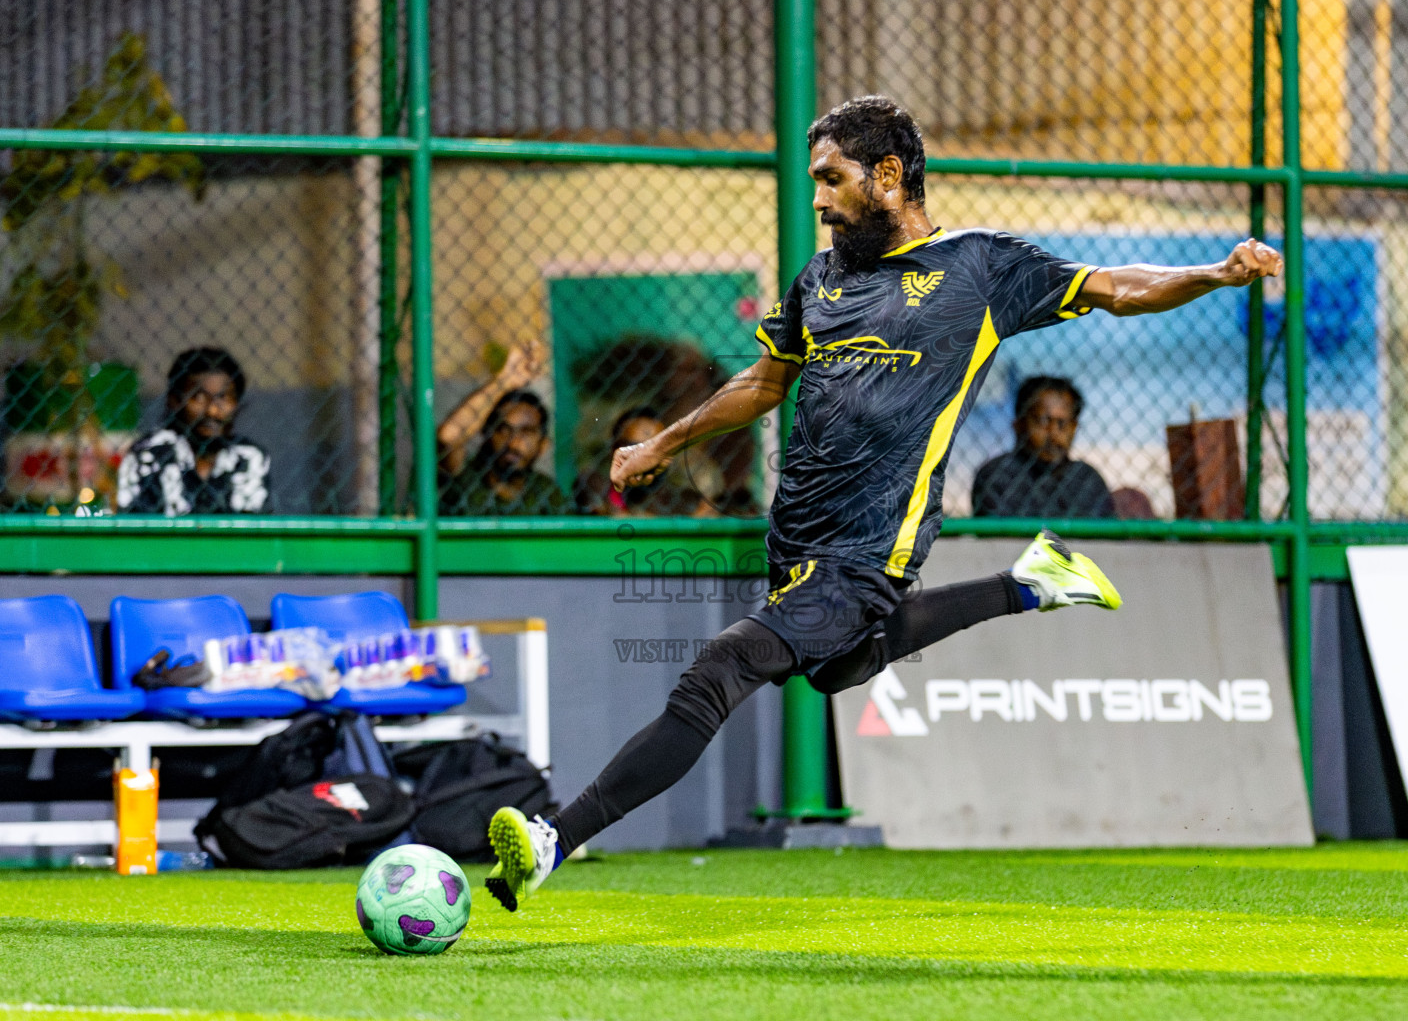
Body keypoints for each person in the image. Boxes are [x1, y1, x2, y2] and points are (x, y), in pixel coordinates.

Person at [482, 95, 1282, 911]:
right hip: (795, 544)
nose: (818, 199)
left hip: (868, 550)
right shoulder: (821, 280)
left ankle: (555, 836)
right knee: (840, 668)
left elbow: (1118, 286)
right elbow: (765, 380)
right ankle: (1029, 584)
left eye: (832, 180)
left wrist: (1214, 274)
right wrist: (663, 444)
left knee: (716, 674)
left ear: (890, 176)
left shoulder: (981, 269)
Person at [117, 347, 271, 516]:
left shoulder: (249, 457)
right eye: (198, 398)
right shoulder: (149, 455)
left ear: (236, 404)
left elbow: (254, 531)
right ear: (175, 401)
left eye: (223, 397)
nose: (212, 410)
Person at [971, 376, 1114, 518]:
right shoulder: (997, 475)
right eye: (1043, 421)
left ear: (1074, 427)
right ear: (1019, 424)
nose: (1053, 433)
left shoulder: (1087, 479)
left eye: (1062, 423)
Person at [438, 389, 571, 516]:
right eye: (504, 430)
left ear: (543, 445)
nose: (513, 443)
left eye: (527, 432)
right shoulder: (465, 477)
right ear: (487, 433)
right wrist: (505, 380)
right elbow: (448, 437)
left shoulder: (546, 491)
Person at [574, 406, 717, 517]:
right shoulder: (594, 485)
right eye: (634, 448)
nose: (645, 457)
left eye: (655, 448)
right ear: (614, 449)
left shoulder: (678, 497)